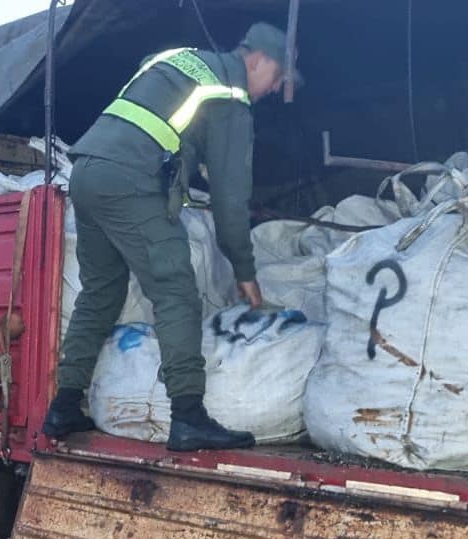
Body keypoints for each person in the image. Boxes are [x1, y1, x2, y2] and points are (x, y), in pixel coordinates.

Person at [43, 22, 298, 451]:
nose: (274, 89)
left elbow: (158, 104)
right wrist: (245, 272)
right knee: (176, 290)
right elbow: (230, 197)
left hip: (87, 170)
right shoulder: (231, 95)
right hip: (130, 178)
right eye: (277, 79)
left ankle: (64, 405)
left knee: (100, 293)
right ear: (258, 59)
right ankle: (188, 417)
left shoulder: (179, 59)